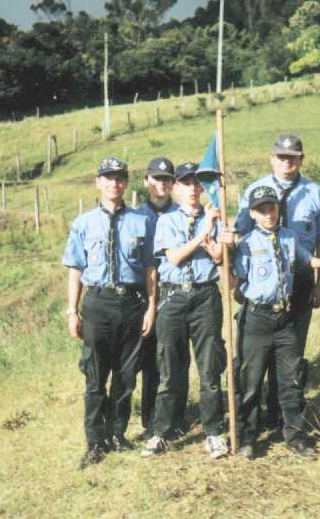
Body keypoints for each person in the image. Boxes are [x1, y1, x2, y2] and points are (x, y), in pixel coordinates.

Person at [62, 157, 157, 469]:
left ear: (126, 183)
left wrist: (151, 307)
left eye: (119, 178)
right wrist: (72, 311)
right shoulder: (83, 223)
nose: (114, 183)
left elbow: (149, 269)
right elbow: (75, 269)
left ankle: (118, 433)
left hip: (132, 304)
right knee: (94, 376)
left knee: (126, 376)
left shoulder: (141, 222)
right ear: (98, 182)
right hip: (98, 304)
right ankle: (94, 441)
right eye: (108, 177)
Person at [234, 134, 320, 429]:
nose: (286, 162)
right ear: (271, 158)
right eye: (281, 157)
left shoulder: (315, 192)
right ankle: (255, 417)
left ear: (301, 159)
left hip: (300, 281)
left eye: (292, 157)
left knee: (290, 355)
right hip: (262, 283)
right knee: (256, 355)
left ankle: (280, 415)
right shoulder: (255, 189)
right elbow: (240, 233)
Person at [142, 162, 232, 459]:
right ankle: (162, 432)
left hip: (205, 296)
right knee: (170, 369)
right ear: (176, 188)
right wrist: (203, 233)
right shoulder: (166, 221)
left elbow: (219, 257)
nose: (192, 189)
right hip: (175, 298)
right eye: (185, 183)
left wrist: (217, 238)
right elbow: (176, 257)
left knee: (209, 369)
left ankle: (214, 432)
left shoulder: (215, 217)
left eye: (197, 183)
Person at [134, 157, 179, 438]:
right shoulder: (136, 216)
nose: (161, 183)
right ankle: (150, 418)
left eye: (166, 178)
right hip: (146, 293)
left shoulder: (181, 213)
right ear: (146, 181)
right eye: (156, 178)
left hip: (175, 291)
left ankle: (175, 414)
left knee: (175, 357)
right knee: (150, 358)